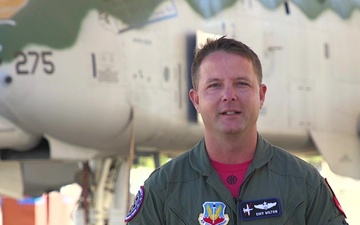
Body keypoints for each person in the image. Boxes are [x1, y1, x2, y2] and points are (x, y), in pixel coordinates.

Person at [125, 36, 348, 225]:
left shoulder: (304, 184)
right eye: (214, 85)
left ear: (261, 95)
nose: (229, 95)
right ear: (196, 100)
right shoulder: (163, 189)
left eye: (241, 83)